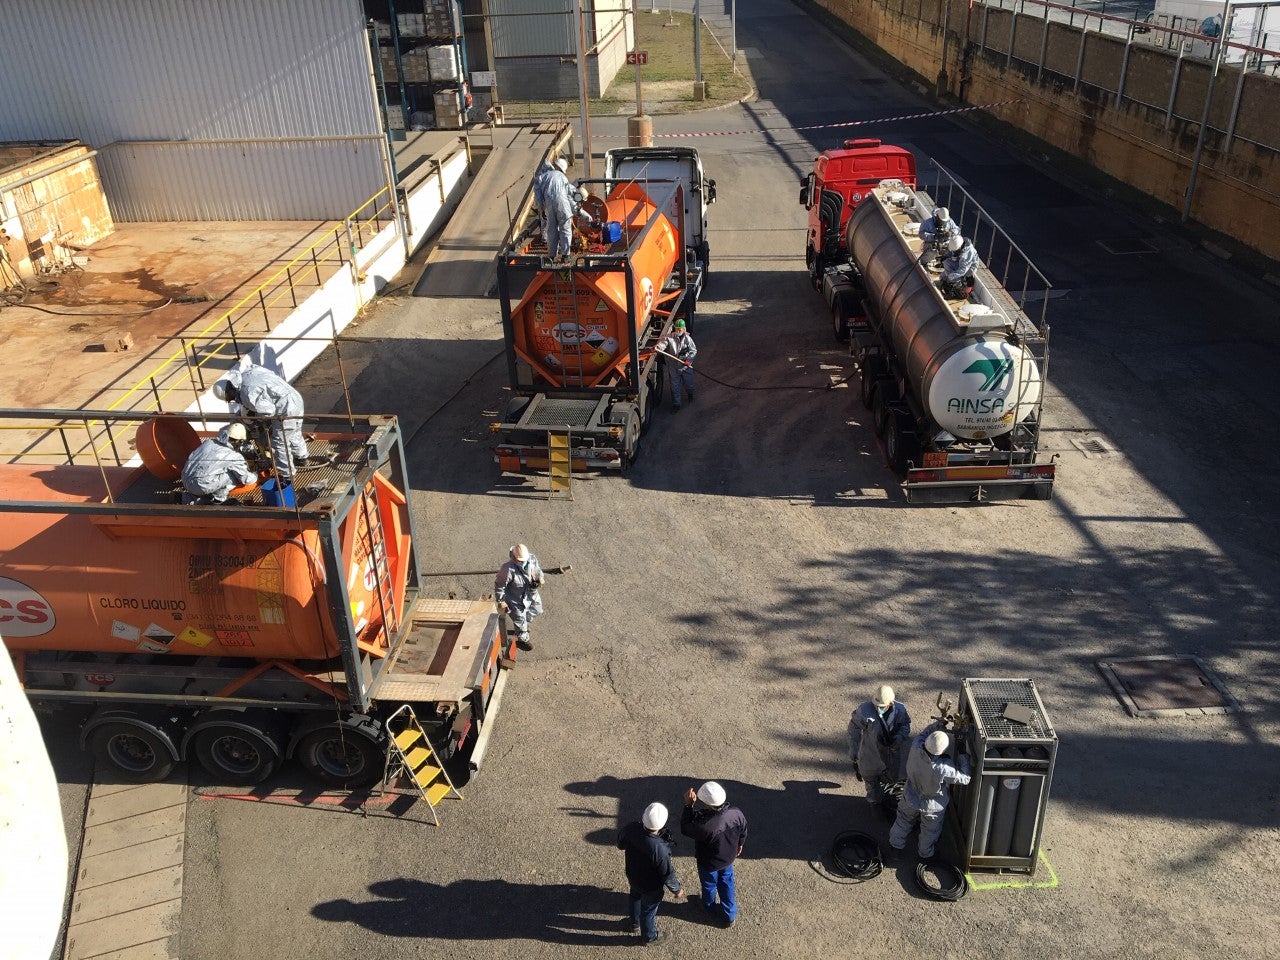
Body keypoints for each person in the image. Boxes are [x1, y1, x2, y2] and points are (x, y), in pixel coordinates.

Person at [888, 722, 971, 861]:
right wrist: (963, 755)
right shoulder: (943, 768)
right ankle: (925, 854)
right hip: (932, 806)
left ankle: (895, 848)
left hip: (910, 796)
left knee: (903, 820)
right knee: (930, 831)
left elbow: (923, 733)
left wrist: (939, 724)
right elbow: (965, 778)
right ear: (942, 751)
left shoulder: (916, 747)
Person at [213, 365, 308, 486]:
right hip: (294, 397)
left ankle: (287, 475)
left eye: (230, 398)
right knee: (294, 431)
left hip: (284, 410)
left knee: (279, 442)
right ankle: (302, 457)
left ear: (230, 391)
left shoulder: (246, 395)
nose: (233, 400)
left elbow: (268, 412)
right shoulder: (247, 374)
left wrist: (257, 415)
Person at [680, 781, 747, 928]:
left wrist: (689, 806)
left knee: (709, 884)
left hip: (708, 862)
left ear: (708, 804)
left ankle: (708, 907)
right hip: (728, 858)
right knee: (727, 882)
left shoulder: (705, 826)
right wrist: (740, 843)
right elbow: (743, 829)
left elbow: (686, 828)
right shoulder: (736, 812)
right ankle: (729, 914)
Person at [617, 802, 684, 945]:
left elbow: (620, 843)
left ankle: (634, 923)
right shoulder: (659, 848)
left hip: (633, 876)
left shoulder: (631, 828)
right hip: (652, 886)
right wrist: (676, 889)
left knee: (635, 897)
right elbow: (667, 873)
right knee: (648, 910)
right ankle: (649, 937)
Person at [847, 684, 911, 816]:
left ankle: (886, 797)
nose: (879, 709)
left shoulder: (900, 710)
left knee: (891, 779)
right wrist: (854, 751)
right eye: (877, 706)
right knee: (871, 782)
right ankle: (874, 803)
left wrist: (899, 737)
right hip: (870, 757)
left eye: (882, 707)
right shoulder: (865, 711)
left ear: (891, 703)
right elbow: (853, 728)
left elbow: (905, 725)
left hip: (891, 756)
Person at [181, 423, 256, 504]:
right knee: (233, 476)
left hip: (185, 479)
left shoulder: (208, 442)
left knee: (210, 473)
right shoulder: (234, 456)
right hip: (200, 486)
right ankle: (218, 500)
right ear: (239, 441)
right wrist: (256, 475)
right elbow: (246, 479)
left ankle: (188, 498)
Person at [495, 543, 543, 651]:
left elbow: (538, 571)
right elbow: (500, 586)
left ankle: (523, 627)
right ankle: (522, 640)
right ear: (514, 557)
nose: (522, 562)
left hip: (531, 594)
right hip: (515, 599)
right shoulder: (507, 569)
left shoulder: (532, 559)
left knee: (537, 609)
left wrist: (539, 580)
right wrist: (501, 601)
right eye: (520, 560)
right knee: (520, 621)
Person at [656, 319, 697, 411]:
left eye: (680, 330)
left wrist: (689, 361)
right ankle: (676, 404)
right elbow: (663, 344)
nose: (678, 332)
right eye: (677, 329)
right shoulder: (669, 338)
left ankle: (690, 393)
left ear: (684, 329)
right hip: (673, 366)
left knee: (688, 383)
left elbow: (693, 351)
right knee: (675, 386)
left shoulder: (688, 339)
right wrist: (658, 347)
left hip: (685, 366)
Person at [544, 157, 576, 261]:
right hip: (563, 207)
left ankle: (552, 256)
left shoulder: (545, 176)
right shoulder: (563, 178)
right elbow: (569, 195)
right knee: (565, 229)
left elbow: (539, 193)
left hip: (549, 207)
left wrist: (540, 207)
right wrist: (579, 210)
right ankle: (565, 255)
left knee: (552, 230)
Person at [938, 234, 979, 300]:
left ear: (960, 248)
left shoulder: (966, 255)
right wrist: (945, 256)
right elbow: (951, 252)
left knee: (949, 277)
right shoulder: (957, 243)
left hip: (967, 270)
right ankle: (953, 281)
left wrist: (950, 277)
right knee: (946, 264)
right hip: (959, 262)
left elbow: (962, 270)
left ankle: (958, 285)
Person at [532, 157, 557, 243]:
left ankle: (546, 237)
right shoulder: (546, 166)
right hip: (547, 196)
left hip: (546, 195)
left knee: (545, 218)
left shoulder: (544, 166)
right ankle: (546, 238)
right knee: (546, 218)